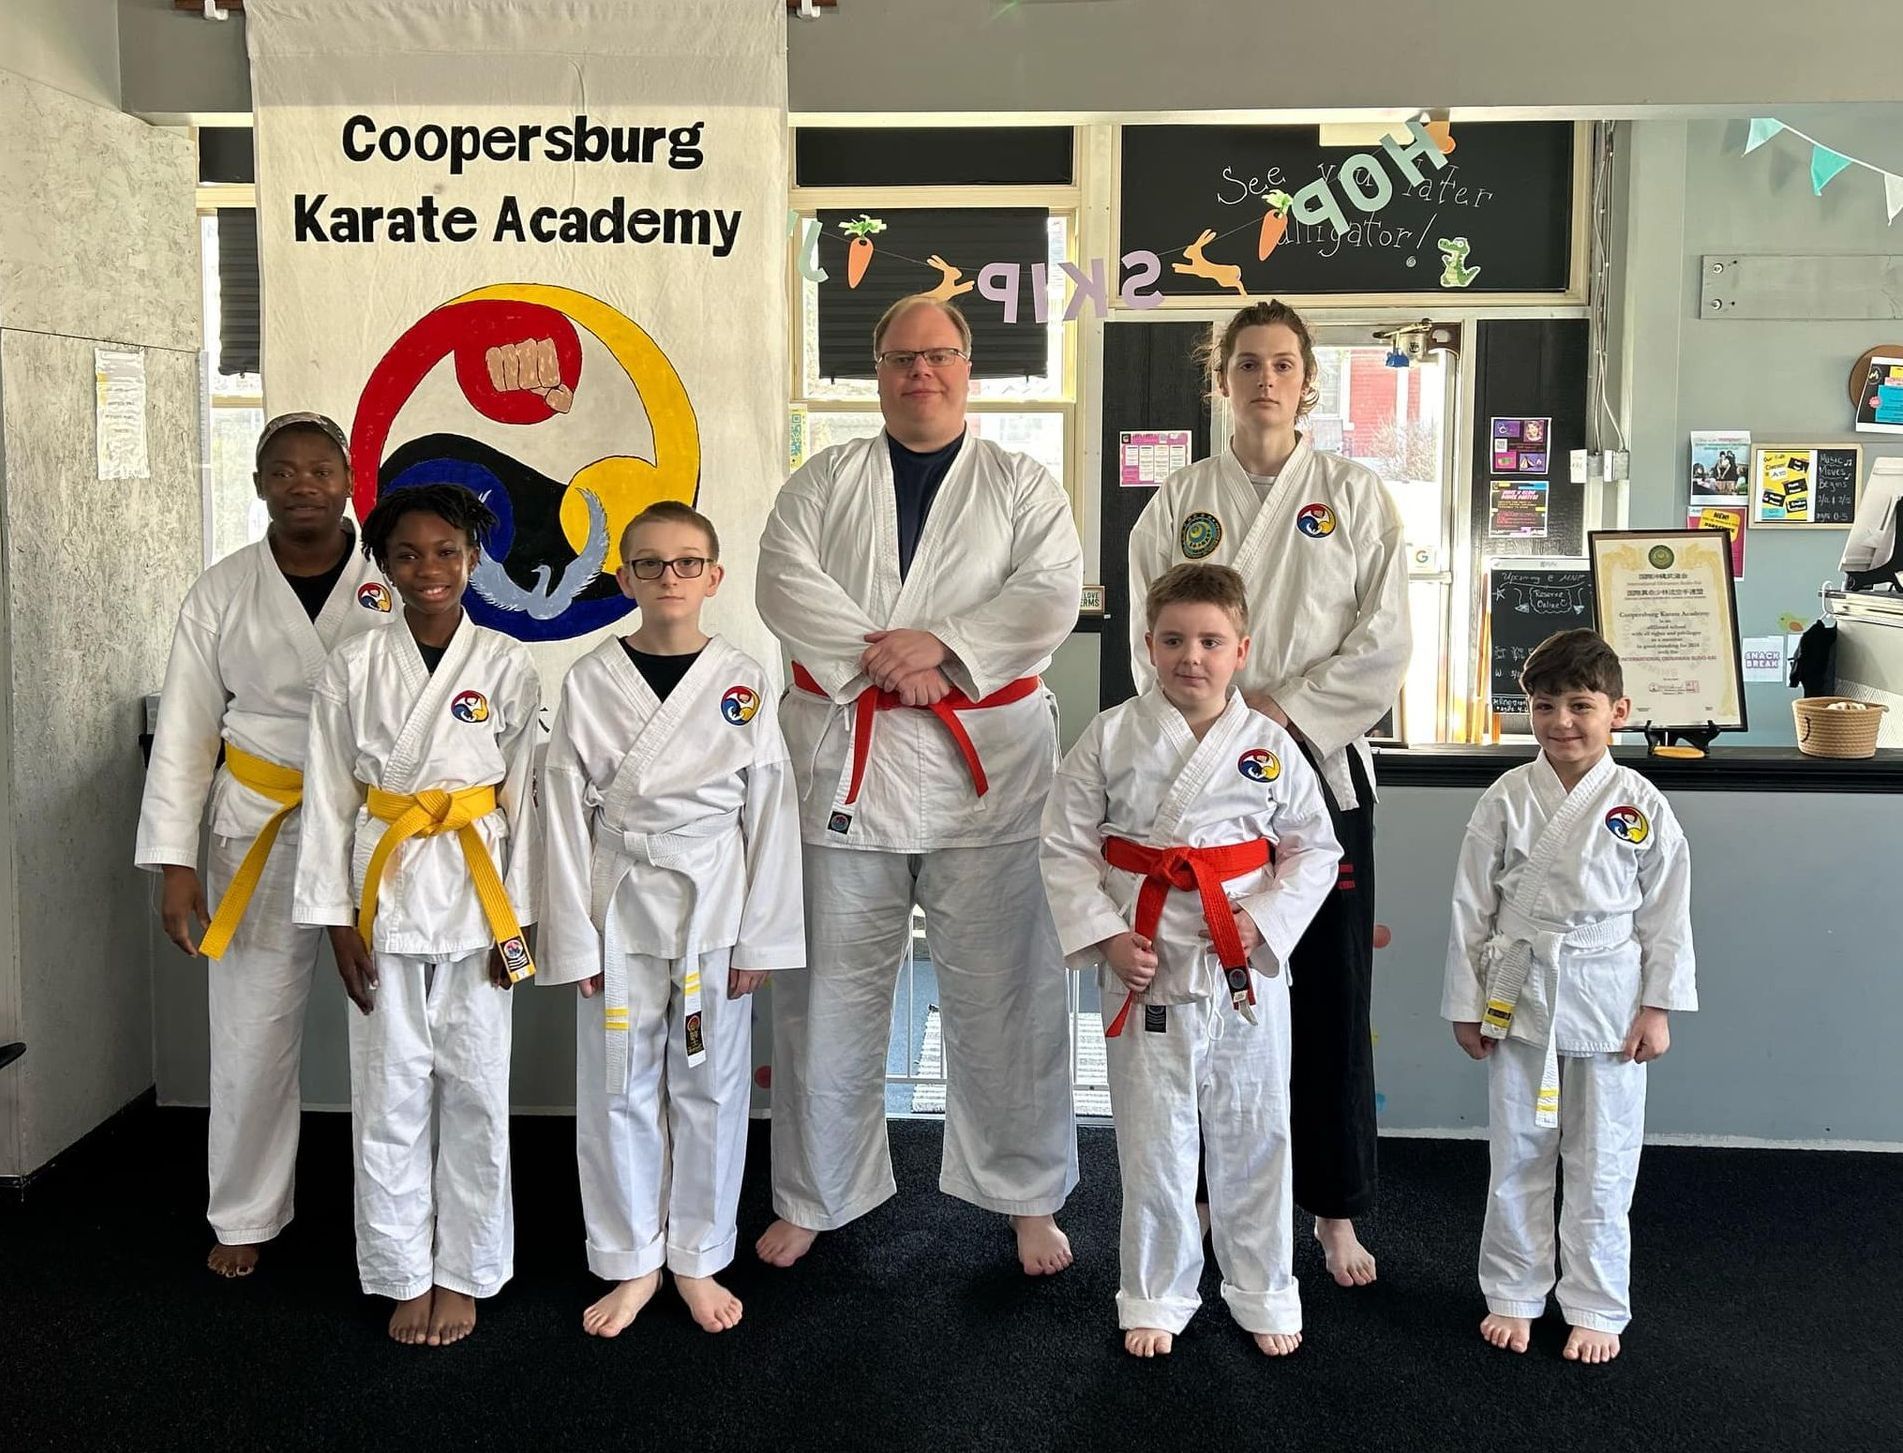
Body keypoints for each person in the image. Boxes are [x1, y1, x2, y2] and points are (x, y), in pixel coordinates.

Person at [754, 294, 1083, 1275]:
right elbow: (783, 582)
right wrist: (891, 663)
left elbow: (1049, 591)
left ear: (968, 367)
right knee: (828, 994)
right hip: (849, 761)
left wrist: (944, 647)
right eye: (902, 358)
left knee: (1009, 991)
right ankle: (816, 1191)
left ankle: (1027, 1195)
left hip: (987, 770)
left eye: (938, 355)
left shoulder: (1024, 485)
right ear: (879, 370)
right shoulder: (820, 480)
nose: (920, 373)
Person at [1127, 300, 1409, 1288]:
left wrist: (1281, 713)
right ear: (1222, 378)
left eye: (1282, 363)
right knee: (1204, 997)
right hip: (1204, 782)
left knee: (1331, 994)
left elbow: (1383, 645)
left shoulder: (1355, 494)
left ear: (1307, 379)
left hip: (1318, 770)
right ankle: (1204, 1198)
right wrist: (1219, 727)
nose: (1264, 378)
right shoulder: (1177, 497)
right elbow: (1148, 639)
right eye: (1246, 362)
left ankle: (1333, 1211)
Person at [1041, 564, 1339, 1358]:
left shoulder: (1269, 745)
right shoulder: (1109, 734)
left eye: (1210, 641)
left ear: (1241, 649)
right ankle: (1156, 1289)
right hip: (1147, 954)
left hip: (1238, 958)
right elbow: (1063, 843)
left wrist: (1259, 916)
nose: (1190, 657)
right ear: (1147, 644)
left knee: (1254, 1128)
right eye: (1172, 640)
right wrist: (1106, 936)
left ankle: (1264, 1287)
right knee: (1154, 1135)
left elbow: (1314, 848)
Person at [135, 412, 395, 1279]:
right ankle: (244, 1210)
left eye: (320, 468)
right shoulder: (221, 590)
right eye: (282, 471)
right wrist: (175, 865)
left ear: (350, 477)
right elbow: (183, 734)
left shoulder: (394, 583)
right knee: (250, 1027)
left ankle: (398, 1216)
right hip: (260, 819)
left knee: (389, 1023)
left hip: (371, 828)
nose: (302, 484)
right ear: (257, 486)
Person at [541, 501, 804, 1338]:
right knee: (615, 1086)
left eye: (687, 563)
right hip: (615, 902)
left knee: (710, 1086)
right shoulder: (588, 677)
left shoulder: (743, 678)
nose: (668, 578)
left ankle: (697, 1254)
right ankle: (630, 1259)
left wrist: (762, 933)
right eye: (649, 564)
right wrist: (569, 933)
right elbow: (556, 811)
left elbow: (768, 807)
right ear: (622, 577)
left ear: (713, 577)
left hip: (711, 907)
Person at [293, 482, 541, 1347]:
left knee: (475, 1087)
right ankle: (401, 1267)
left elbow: (526, 798)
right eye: (407, 554)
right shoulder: (353, 666)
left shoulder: (507, 664)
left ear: (473, 560)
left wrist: (522, 917)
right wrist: (334, 919)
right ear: (384, 565)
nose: (427, 569)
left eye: (445, 552)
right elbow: (327, 798)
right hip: (382, 892)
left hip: (479, 896)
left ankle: (465, 1270)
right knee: (389, 1090)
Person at [1442, 629, 1696, 1365]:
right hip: (1520, 987)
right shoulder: (1505, 798)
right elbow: (1469, 906)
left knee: (1603, 1155)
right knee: (1518, 1148)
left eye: (1579, 704)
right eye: (1543, 704)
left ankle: (1594, 1300)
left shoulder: (1640, 802)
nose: (1560, 720)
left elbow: (1665, 914)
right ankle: (1514, 1291)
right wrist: (1466, 999)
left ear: (1617, 709)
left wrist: (1657, 1006)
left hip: (1609, 996)